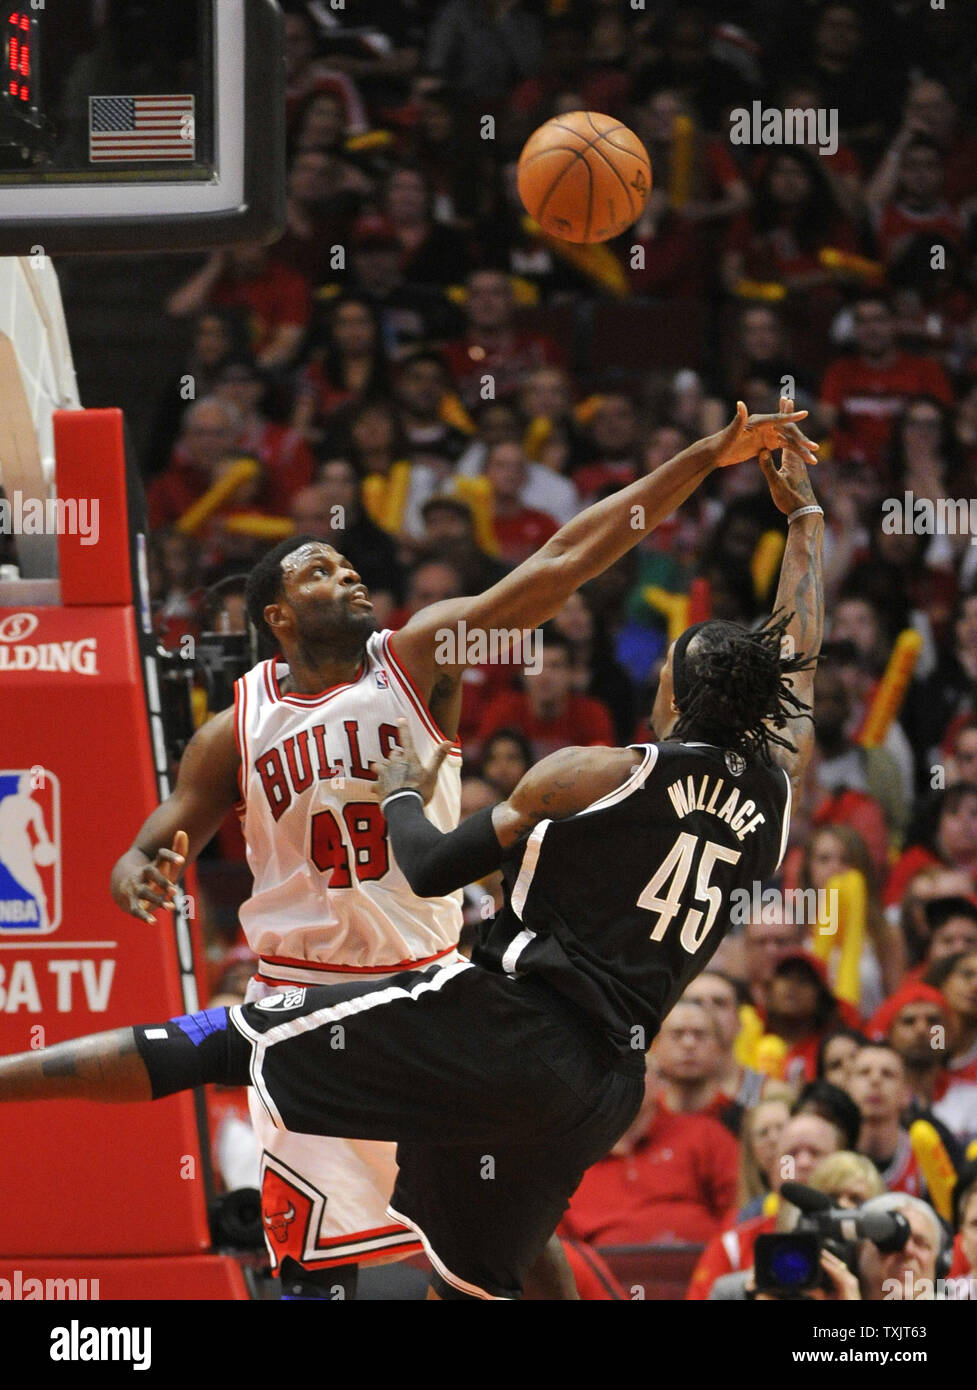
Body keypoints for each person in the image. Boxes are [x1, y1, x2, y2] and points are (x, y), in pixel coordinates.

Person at [0, 402, 823, 1300]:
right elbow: (164, 834)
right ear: (276, 613)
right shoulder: (232, 729)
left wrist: (703, 457)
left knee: (450, 1210)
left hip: (437, 987)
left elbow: (560, 562)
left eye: (349, 563)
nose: (350, 574)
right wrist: (136, 866)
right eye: (322, 569)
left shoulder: (420, 657)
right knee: (374, 1253)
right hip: (324, 987)